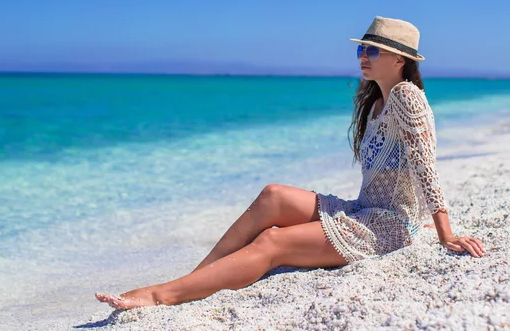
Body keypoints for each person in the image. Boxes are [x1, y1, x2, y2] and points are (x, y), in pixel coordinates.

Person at [95, 16, 486, 310]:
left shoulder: (406, 96)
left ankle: (163, 295)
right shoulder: (376, 103)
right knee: (273, 196)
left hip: (390, 226)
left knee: (273, 241)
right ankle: (197, 278)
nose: (363, 57)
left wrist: (444, 234)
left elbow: (426, 167)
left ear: (400, 60)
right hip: (364, 209)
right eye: (360, 50)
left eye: (373, 51)